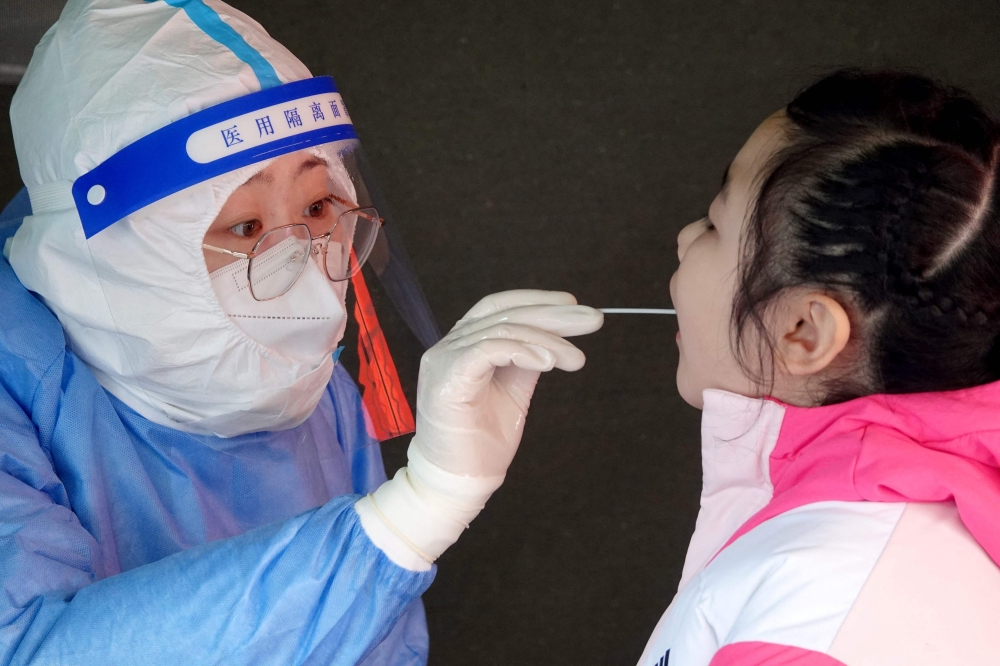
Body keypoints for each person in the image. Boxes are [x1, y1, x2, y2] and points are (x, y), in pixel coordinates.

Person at [0, 0, 604, 664]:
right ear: (120, 254)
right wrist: (409, 517)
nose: (307, 278)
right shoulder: (17, 398)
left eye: (319, 207)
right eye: (246, 227)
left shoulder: (315, 394)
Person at [640, 70, 1000, 666]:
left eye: (713, 224)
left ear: (804, 332)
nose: (683, 238)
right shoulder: (861, 557)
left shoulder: (814, 618)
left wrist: (426, 521)